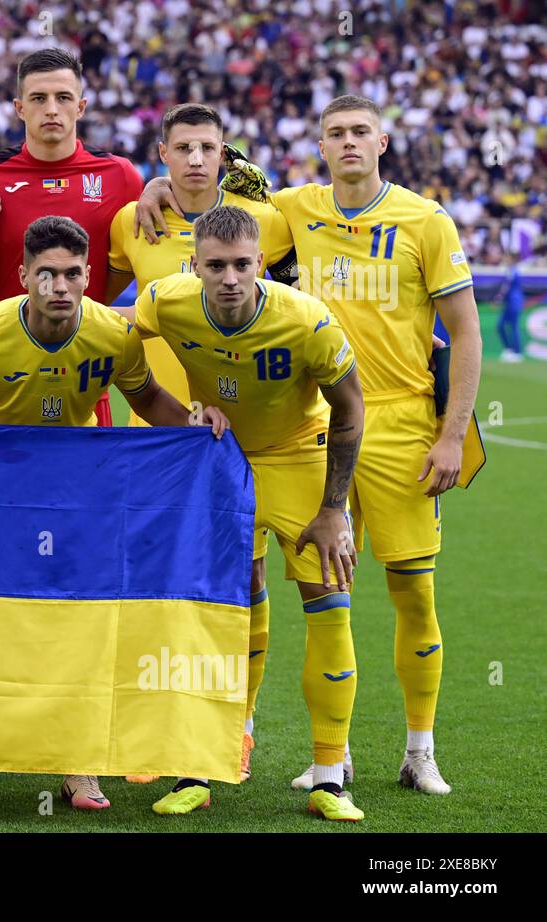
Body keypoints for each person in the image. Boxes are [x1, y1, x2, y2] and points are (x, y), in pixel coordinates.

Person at [137, 95, 481, 795]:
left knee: (412, 590)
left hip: (400, 422)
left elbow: (466, 333)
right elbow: (211, 215)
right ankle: (330, 756)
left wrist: (451, 435)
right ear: (318, 144)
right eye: (335, 133)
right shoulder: (292, 209)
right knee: (321, 589)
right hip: (309, 427)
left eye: (361, 132)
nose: (349, 142)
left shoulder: (426, 219)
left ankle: (420, 748)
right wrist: (154, 184)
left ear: (383, 140)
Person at [0, 215, 229, 810]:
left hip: (83, 498)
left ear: (89, 277)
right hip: (2, 497)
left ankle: (80, 765)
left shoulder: (113, 335)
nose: (59, 287)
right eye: (46, 274)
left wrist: (193, 420)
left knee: (81, 626)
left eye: (72, 274)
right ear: (23, 277)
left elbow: (145, 398)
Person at [133, 206, 366, 820]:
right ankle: (205, 760)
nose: (230, 277)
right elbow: (108, 335)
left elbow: (349, 411)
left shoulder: (308, 321)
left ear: (262, 263)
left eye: (242, 264)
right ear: (194, 267)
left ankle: (329, 776)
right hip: (221, 462)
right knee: (223, 605)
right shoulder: (166, 302)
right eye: (216, 265)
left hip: (299, 458)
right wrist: (183, 417)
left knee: (328, 599)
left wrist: (333, 509)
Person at [106, 102, 298, 784]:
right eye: (180, 147)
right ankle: (153, 729)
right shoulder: (133, 219)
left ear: (225, 152)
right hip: (158, 437)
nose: (192, 159)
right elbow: (105, 314)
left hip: (242, 436)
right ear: (161, 152)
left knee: (242, 581)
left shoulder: (270, 220)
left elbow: (301, 304)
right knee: (150, 583)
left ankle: (236, 726)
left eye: (206, 147)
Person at [0, 48, 143, 426]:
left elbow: (129, 261)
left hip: (84, 369)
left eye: (63, 98)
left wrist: (88, 306)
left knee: (89, 481)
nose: (51, 109)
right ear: (18, 107)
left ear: (80, 107)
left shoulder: (120, 176)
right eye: (38, 98)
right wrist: (5, 304)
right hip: (8, 368)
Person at [496, 252, 525, 363]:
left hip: (514, 302)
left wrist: (499, 298)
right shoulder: (510, 271)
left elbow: (506, 288)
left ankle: (517, 352)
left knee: (514, 327)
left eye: (507, 257)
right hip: (509, 303)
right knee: (500, 325)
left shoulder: (513, 272)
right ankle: (509, 349)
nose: (505, 259)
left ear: (512, 259)